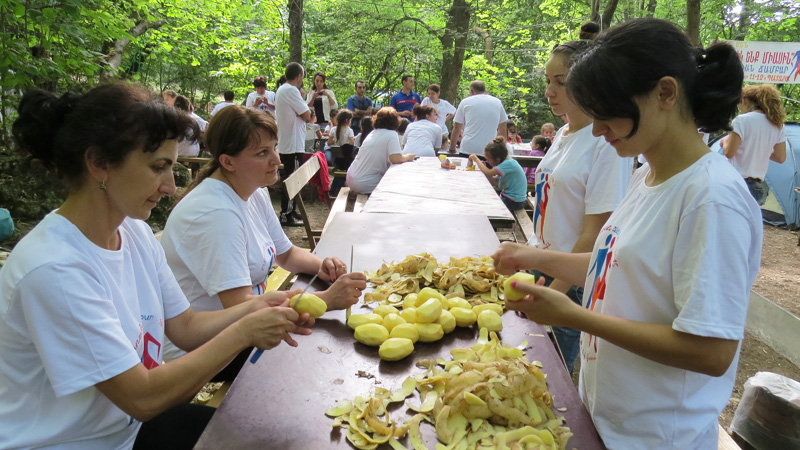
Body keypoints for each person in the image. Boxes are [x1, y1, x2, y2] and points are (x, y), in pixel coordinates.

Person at [493, 18, 759, 449]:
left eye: (607, 112)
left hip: (655, 435)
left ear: (665, 94)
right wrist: (534, 258)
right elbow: (611, 266)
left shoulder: (711, 199)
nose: (597, 130)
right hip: (609, 417)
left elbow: (711, 352)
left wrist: (572, 316)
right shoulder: (648, 176)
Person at [2, 84, 313, 449]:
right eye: (158, 168)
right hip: (77, 442)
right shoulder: (55, 269)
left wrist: (257, 307)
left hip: (127, 432)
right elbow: (142, 397)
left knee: (273, 436)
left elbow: (185, 327)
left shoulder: (133, 231)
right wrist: (245, 331)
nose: (170, 187)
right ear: (99, 163)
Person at [160, 105, 366, 365]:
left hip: (244, 332)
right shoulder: (215, 214)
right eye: (262, 153)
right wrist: (325, 299)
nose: (277, 160)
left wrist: (323, 266)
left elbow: (287, 254)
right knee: (327, 356)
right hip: (207, 353)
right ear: (227, 162)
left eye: (274, 147)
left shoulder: (254, 191)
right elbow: (242, 308)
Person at [529, 25, 633, 374]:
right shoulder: (562, 132)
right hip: (539, 262)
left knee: (547, 374)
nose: (549, 91)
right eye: (547, 81)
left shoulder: (605, 142)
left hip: (568, 280)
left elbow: (597, 230)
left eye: (561, 81)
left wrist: (558, 292)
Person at [721, 84, 787, 205]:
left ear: (744, 100)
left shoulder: (742, 120)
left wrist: (725, 141)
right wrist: (762, 150)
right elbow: (780, 157)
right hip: (758, 187)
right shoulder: (777, 124)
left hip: (737, 183)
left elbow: (729, 153)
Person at [275, 62, 312, 227]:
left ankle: (291, 210)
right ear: (299, 77)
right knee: (292, 180)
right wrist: (303, 108)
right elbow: (307, 115)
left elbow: (302, 113)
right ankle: (286, 214)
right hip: (292, 144)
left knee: (293, 178)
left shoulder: (284, 90)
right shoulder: (290, 90)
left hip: (290, 142)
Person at [347, 107, 416, 194]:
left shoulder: (373, 133)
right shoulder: (391, 134)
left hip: (352, 177)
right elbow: (395, 158)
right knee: (400, 186)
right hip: (364, 182)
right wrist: (408, 157)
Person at [448, 80, 508, 158]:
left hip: (468, 149)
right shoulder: (497, 102)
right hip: (490, 150)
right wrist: (500, 149)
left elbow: (457, 128)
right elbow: (502, 129)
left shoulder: (465, 102)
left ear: (471, 91)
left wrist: (452, 148)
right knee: (487, 170)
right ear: (485, 91)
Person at [469, 137, 527, 211]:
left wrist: (476, 160)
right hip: (511, 198)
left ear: (497, 159)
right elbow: (495, 182)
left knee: (487, 208)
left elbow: (488, 172)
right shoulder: (504, 163)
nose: (487, 161)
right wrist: (483, 168)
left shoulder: (508, 163)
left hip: (514, 201)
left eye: (488, 159)